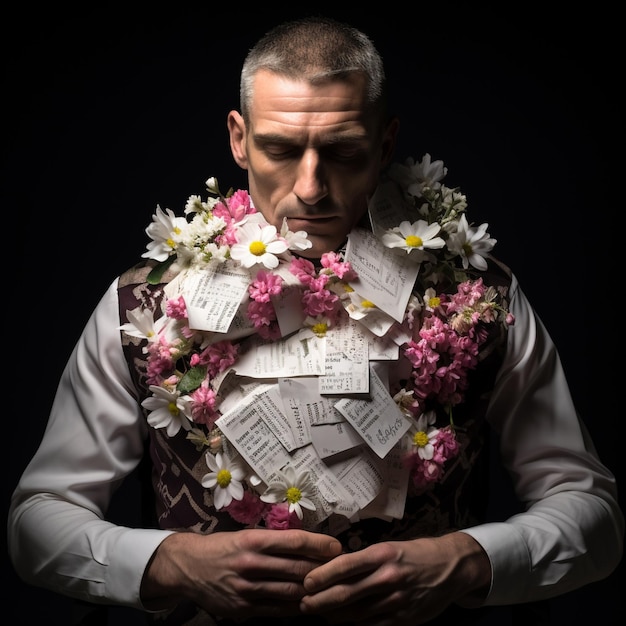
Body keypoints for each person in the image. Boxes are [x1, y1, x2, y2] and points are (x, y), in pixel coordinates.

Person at [8, 15, 624, 626]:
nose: (311, 187)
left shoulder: (480, 300)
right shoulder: (142, 306)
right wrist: (169, 563)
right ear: (238, 138)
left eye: (343, 151)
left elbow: (593, 514)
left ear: (385, 145)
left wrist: (466, 562)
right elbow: (39, 519)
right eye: (280, 148)